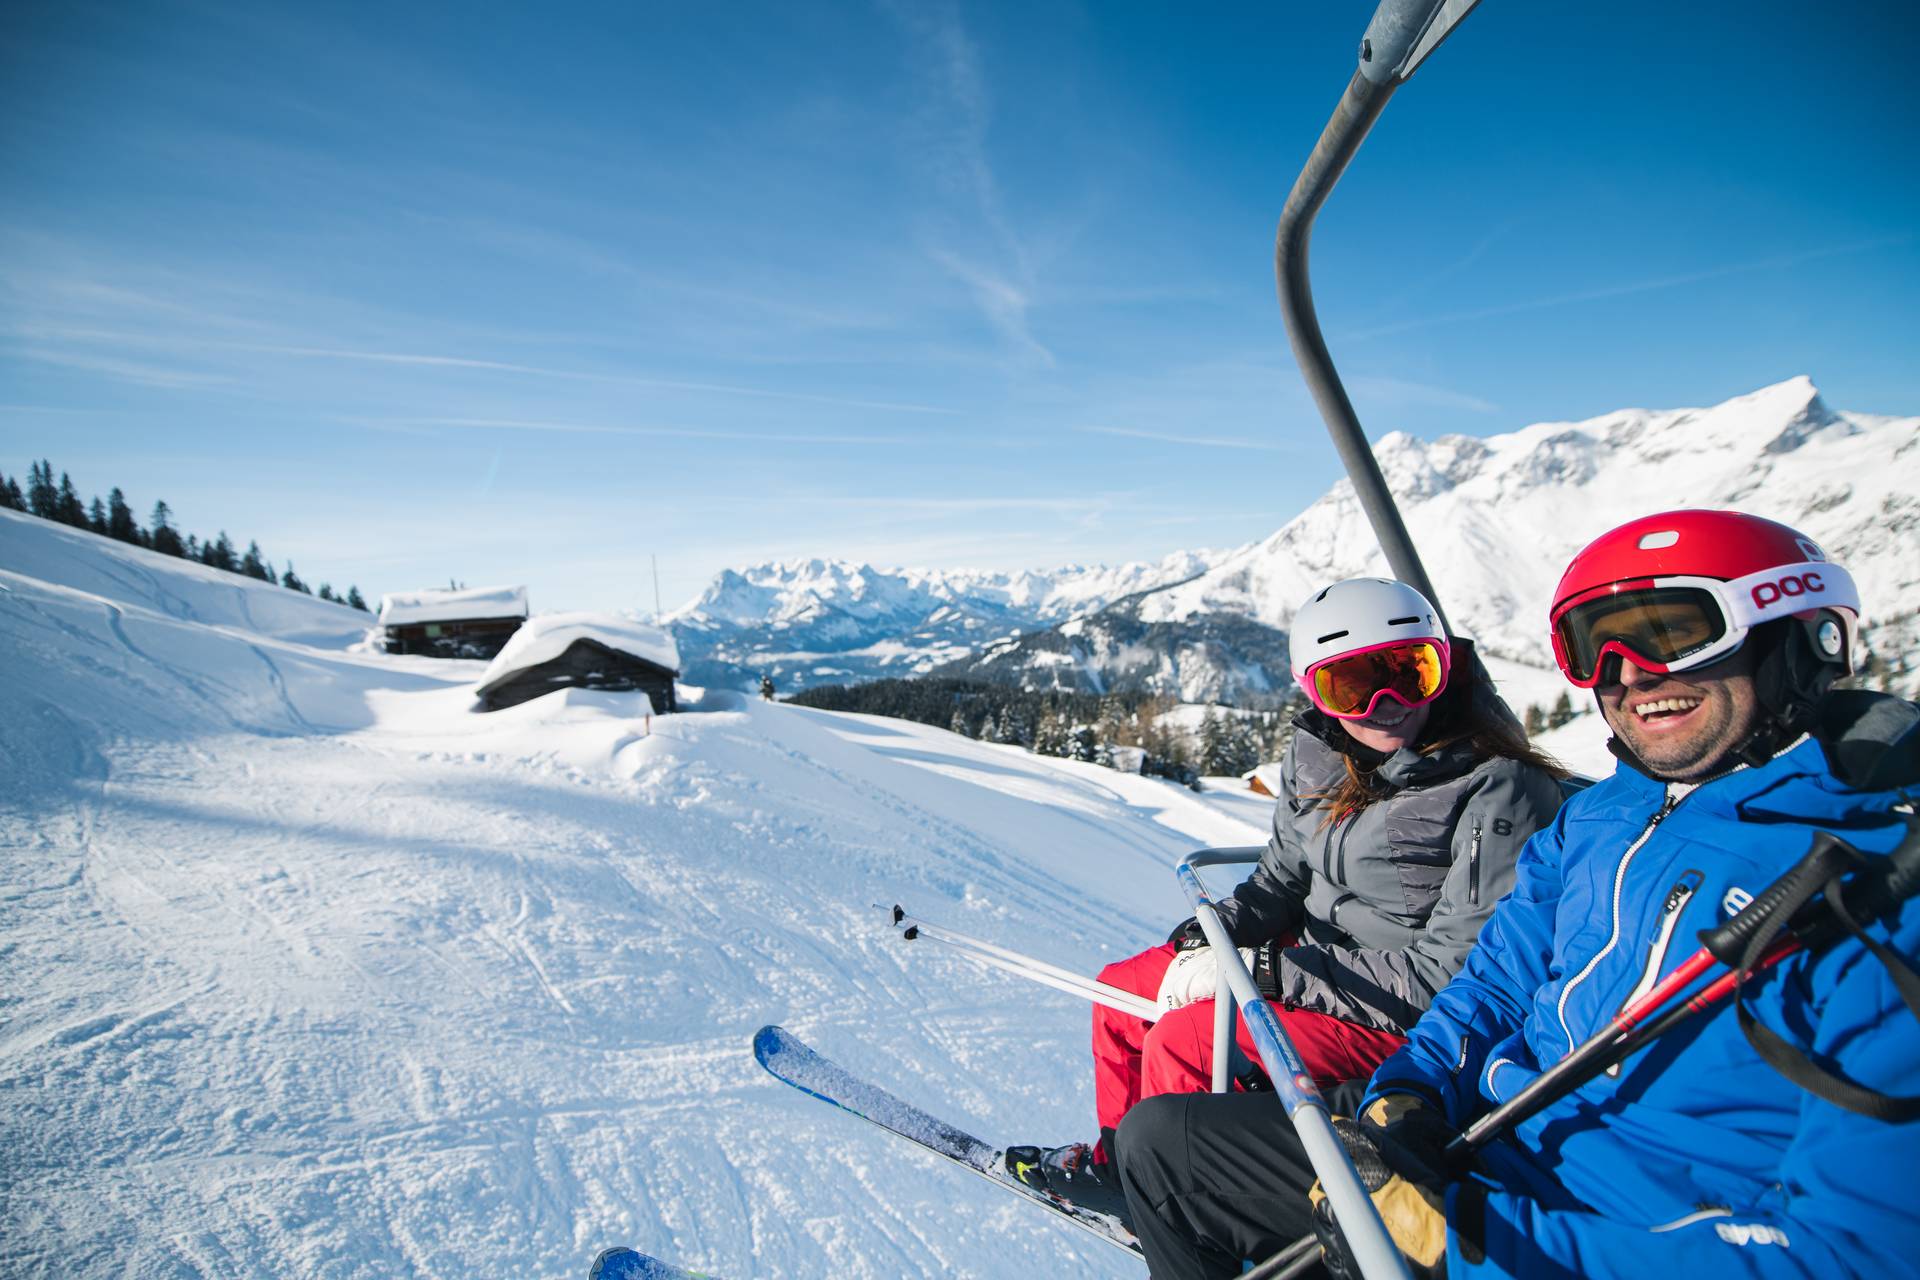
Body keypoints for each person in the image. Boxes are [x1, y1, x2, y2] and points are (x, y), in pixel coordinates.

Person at [1114, 509, 1920, 1279]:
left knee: (1197, 1072)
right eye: (1591, 647)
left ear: (1806, 635)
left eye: (1676, 634)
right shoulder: (1603, 817)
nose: (1630, 674)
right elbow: (1492, 984)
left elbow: (1858, 1257)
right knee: (1167, 1145)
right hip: (1494, 1129)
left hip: (1620, 1222)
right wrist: (1410, 1091)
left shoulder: (1879, 892)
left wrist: (1459, 1249)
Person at [1006, 577, 1566, 1223]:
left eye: (1411, 673)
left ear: (1444, 666)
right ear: (1313, 691)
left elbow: (1448, 977)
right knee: (1122, 996)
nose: (1386, 703)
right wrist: (1223, 929)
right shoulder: (1319, 753)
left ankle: (1183, 1206)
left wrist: (1269, 972)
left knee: (1187, 1040)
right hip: (1317, 968)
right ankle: (1121, 1165)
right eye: (1350, 686)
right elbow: (1282, 876)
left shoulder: (1498, 789)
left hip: (1399, 1017)